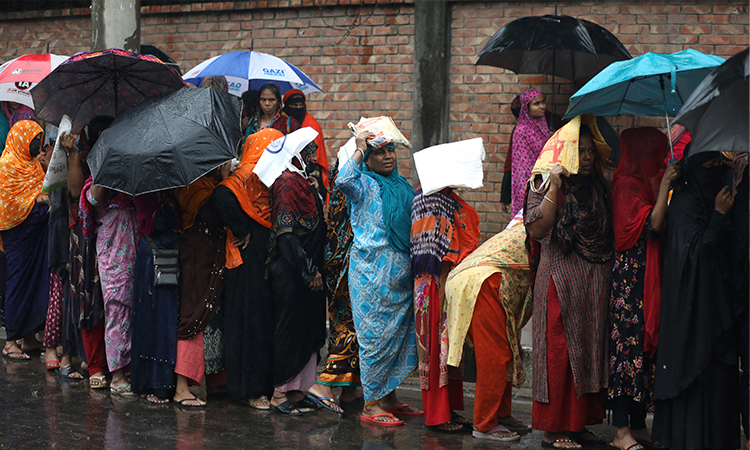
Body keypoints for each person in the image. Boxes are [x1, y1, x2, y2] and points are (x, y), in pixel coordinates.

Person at [524, 118, 615, 449]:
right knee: (560, 351)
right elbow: (536, 229)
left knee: (589, 348)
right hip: (561, 280)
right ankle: (553, 428)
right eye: (581, 151)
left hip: (592, 281)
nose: (587, 157)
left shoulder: (596, 184)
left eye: (592, 151)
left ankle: (579, 423)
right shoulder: (543, 182)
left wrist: (609, 181)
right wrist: (554, 188)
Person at [652, 149, 743, 450]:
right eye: (712, 166)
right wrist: (717, 217)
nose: (717, 172)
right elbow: (695, 256)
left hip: (717, 315)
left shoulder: (716, 198)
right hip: (692, 324)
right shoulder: (684, 205)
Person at [336, 130, 419, 426]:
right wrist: (358, 149)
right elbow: (342, 179)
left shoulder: (401, 185)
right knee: (375, 339)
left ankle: (389, 397)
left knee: (397, 337)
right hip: (371, 277)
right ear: (368, 159)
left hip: (400, 277)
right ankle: (370, 404)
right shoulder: (363, 184)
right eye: (380, 152)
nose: (388, 157)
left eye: (391, 151)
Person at [608, 128, 679, 450]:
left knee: (643, 356)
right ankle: (621, 431)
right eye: (656, 153)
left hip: (648, 276)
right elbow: (651, 227)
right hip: (630, 281)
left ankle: (638, 424)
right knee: (627, 352)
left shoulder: (647, 183)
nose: (660, 160)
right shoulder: (626, 185)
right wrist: (665, 186)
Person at [212, 128, 282, 409]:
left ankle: (249, 387)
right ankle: (251, 390)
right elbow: (221, 195)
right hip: (246, 260)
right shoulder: (248, 173)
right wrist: (244, 227)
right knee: (251, 321)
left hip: (258, 259)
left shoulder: (267, 173)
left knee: (256, 320)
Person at [445, 221, 534, 441]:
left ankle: (501, 415)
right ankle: (484, 424)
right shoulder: (541, 224)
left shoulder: (523, 225)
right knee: (495, 355)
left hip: (476, 278)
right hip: (483, 281)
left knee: (505, 349)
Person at [410, 186, 480, 432]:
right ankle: (436, 415)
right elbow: (431, 251)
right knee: (434, 349)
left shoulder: (452, 201)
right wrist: (442, 279)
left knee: (451, 348)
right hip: (433, 284)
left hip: (452, 281)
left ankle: (449, 409)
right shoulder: (428, 202)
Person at [267, 140, 327, 416]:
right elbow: (286, 234)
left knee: (305, 329)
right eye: (309, 153)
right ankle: (280, 394)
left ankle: (297, 392)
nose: (313, 157)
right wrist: (307, 271)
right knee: (289, 329)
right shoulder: (287, 183)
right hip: (293, 272)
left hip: (308, 271)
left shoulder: (303, 181)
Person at [60, 117, 112, 390]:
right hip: (87, 242)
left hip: (116, 240)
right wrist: (72, 155)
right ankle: (92, 361)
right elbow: (73, 191)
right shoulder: (82, 160)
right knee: (90, 301)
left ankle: (112, 361)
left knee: (114, 304)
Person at [307, 159, 363, 414]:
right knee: (352, 326)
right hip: (346, 269)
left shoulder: (340, 213)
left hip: (341, 266)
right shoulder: (346, 218)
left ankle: (350, 390)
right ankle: (325, 383)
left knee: (345, 325)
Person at [80, 162, 139, 395]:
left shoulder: (132, 175)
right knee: (116, 310)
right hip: (113, 252)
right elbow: (93, 199)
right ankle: (117, 374)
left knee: (131, 311)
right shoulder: (97, 180)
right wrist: (107, 168)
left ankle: (129, 367)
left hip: (133, 249)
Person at [173, 164, 229, 407]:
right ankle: (182, 387)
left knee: (207, 317)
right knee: (193, 318)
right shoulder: (200, 190)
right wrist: (225, 183)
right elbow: (219, 215)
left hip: (201, 259)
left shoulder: (197, 185)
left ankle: (216, 381)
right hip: (198, 261)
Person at [0, 120, 49, 360]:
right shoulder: (6, 165)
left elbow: (41, 190)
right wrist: (36, 202)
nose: (38, 145)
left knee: (37, 282)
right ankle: (11, 342)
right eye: (35, 140)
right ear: (22, 140)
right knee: (19, 283)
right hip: (17, 235)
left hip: (36, 234)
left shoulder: (34, 166)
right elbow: (8, 205)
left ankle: (29, 337)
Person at [130, 192, 181, 405]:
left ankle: (161, 384)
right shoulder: (144, 191)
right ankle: (152, 384)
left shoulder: (168, 190)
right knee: (153, 316)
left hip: (167, 252)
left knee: (165, 317)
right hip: (151, 254)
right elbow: (157, 223)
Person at [275, 89, 330, 191]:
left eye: (301, 105)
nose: (298, 108)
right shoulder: (280, 122)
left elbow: (315, 156)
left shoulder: (311, 125)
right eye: (294, 105)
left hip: (309, 171)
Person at [509, 89, 551, 217]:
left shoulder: (543, 126)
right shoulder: (521, 131)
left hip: (547, 181)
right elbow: (521, 169)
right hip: (532, 185)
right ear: (526, 108)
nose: (542, 106)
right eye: (536, 103)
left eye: (543, 102)